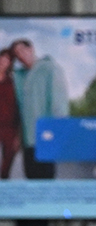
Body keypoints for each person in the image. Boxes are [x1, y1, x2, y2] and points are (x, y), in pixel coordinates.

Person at [9, 39, 68, 180]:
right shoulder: (19, 76)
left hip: (45, 136)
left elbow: (59, 103)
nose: (20, 56)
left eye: (22, 50)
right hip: (27, 139)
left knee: (46, 177)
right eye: (17, 54)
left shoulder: (50, 68)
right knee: (30, 177)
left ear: (31, 48)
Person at [0, 47, 18, 180]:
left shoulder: (12, 83)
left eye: (7, 60)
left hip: (9, 127)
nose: (3, 62)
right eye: (2, 58)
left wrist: (18, 135)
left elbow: (18, 108)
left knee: (7, 163)